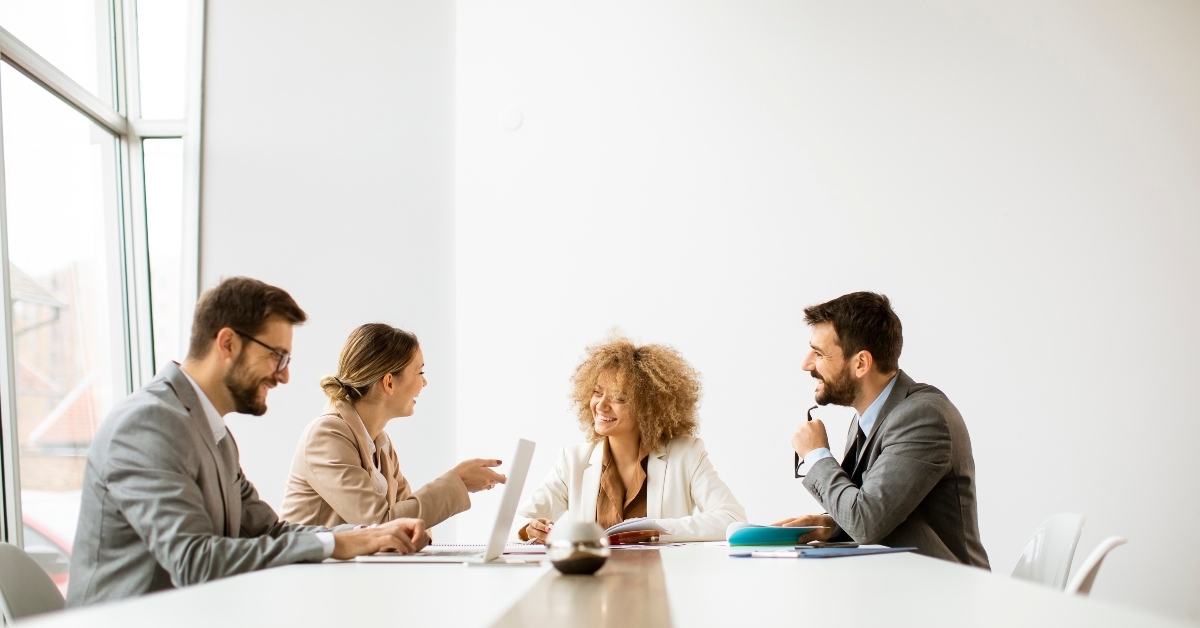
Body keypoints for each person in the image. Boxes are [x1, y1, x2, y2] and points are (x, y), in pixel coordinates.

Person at [67, 278, 425, 607]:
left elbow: (268, 530)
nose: (284, 375)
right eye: (276, 356)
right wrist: (338, 542)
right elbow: (194, 561)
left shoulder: (211, 433)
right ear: (227, 343)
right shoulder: (147, 424)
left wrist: (369, 535)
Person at [775, 292, 990, 568]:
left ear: (861, 363)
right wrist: (831, 524)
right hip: (894, 588)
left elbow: (866, 523)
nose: (806, 364)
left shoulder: (923, 418)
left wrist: (816, 455)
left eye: (819, 353)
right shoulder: (869, 419)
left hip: (944, 596)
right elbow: (880, 510)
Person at [280, 323, 506, 536]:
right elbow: (381, 525)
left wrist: (415, 529)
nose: (424, 383)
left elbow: (414, 523)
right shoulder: (327, 435)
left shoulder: (381, 443)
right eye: (420, 373)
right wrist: (459, 482)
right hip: (314, 573)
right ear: (389, 382)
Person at [515, 336, 746, 543]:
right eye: (597, 392)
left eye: (619, 398)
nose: (601, 405)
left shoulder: (687, 454)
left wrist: (657, 529)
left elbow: (731, 519)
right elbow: (519, 522)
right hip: (593, 585)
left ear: (648, 408)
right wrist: (530, 529)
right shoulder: (573, 460)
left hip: (660, 586)